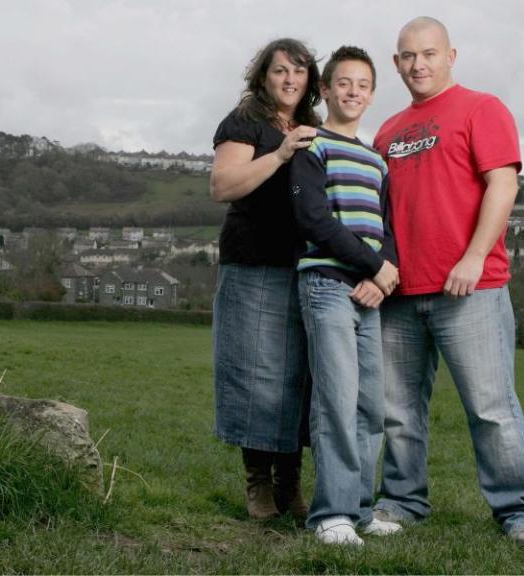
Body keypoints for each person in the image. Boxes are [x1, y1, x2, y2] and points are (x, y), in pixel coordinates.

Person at [370, 17, 524, 543]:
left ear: (451, 55)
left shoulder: (481, 108)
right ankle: (403, 502)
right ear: (396, 62)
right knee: (398, 412)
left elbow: (503, 184)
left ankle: (522, 511)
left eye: (428, 53)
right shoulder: (387, 131)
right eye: (407, 56)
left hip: (471, 288)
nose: (418, 64)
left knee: (491, 407)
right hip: (400, 293)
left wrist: (472, 258)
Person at [289, 46, 402, 546]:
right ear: (326, 90)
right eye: (344, 83)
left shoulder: (378, 160)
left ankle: (358, 509)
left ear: (372, 94)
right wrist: (373, 265)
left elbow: (388, 229)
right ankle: (329, 516)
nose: (353, 92)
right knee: (335, 401)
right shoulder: (312, 147)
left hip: (366, 293)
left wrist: (382, 277)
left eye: (362, 85)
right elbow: (315, 219)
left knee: (369, 407)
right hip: (326, 288)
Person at [210, 38, 320, 523]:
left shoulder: (315, 125)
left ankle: (289, 483)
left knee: (299, 377)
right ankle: (257, 484)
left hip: (307, 266)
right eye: (280, 71)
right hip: (253, 262)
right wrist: (278, 155)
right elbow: (222, 186)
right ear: (263, 77)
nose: (290, 80)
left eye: (299, 72)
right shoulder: (244, 122)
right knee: (254, 375)